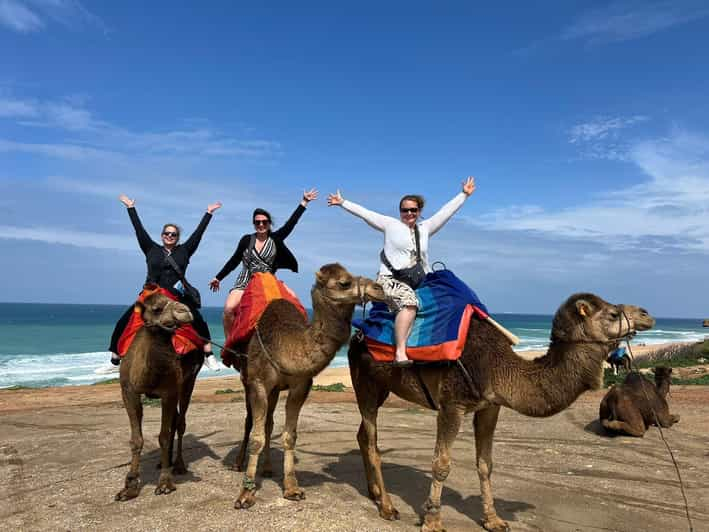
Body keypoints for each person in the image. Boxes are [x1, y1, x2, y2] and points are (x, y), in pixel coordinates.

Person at [327, 177, 476, 366]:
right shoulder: (390, 224)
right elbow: (365, 213)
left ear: (419, 211)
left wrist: (464, 195)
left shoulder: (425, 228)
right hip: (389, 280)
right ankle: (400, 352)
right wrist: (343, 203)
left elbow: (445, 212)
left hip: (420, 280)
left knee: (452, 296)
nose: (409, 213)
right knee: (409, 303)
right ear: (400, 211)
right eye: (404, 210)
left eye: (413, 210)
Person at [98, 194, 222, 374]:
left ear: (178, 237)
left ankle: (208, 355)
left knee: (197, 319)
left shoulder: (185, 251)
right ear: (162, 235)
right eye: (167, 233)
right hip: (150, 295)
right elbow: (138, 230)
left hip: (176, 296)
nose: (170, 236)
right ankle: (114, 360)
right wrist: (131, 209)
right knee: (125, 320)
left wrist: (208, 213)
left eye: (174, 234)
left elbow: (198, 234)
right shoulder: (150, 248)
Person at [209, 189, 318, 336]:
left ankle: (300, 342)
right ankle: (229, 345)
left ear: (269, 223)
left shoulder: (275, 239)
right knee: (229, 309)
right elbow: (234, 260)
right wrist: (218, 277)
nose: (261, 224)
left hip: (268, 280)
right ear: (254, 224)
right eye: (257, 222)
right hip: (246, 279)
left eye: (264, 222)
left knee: (296, 304)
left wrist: (304, 202)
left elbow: (291, 224)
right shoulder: (246, 240)